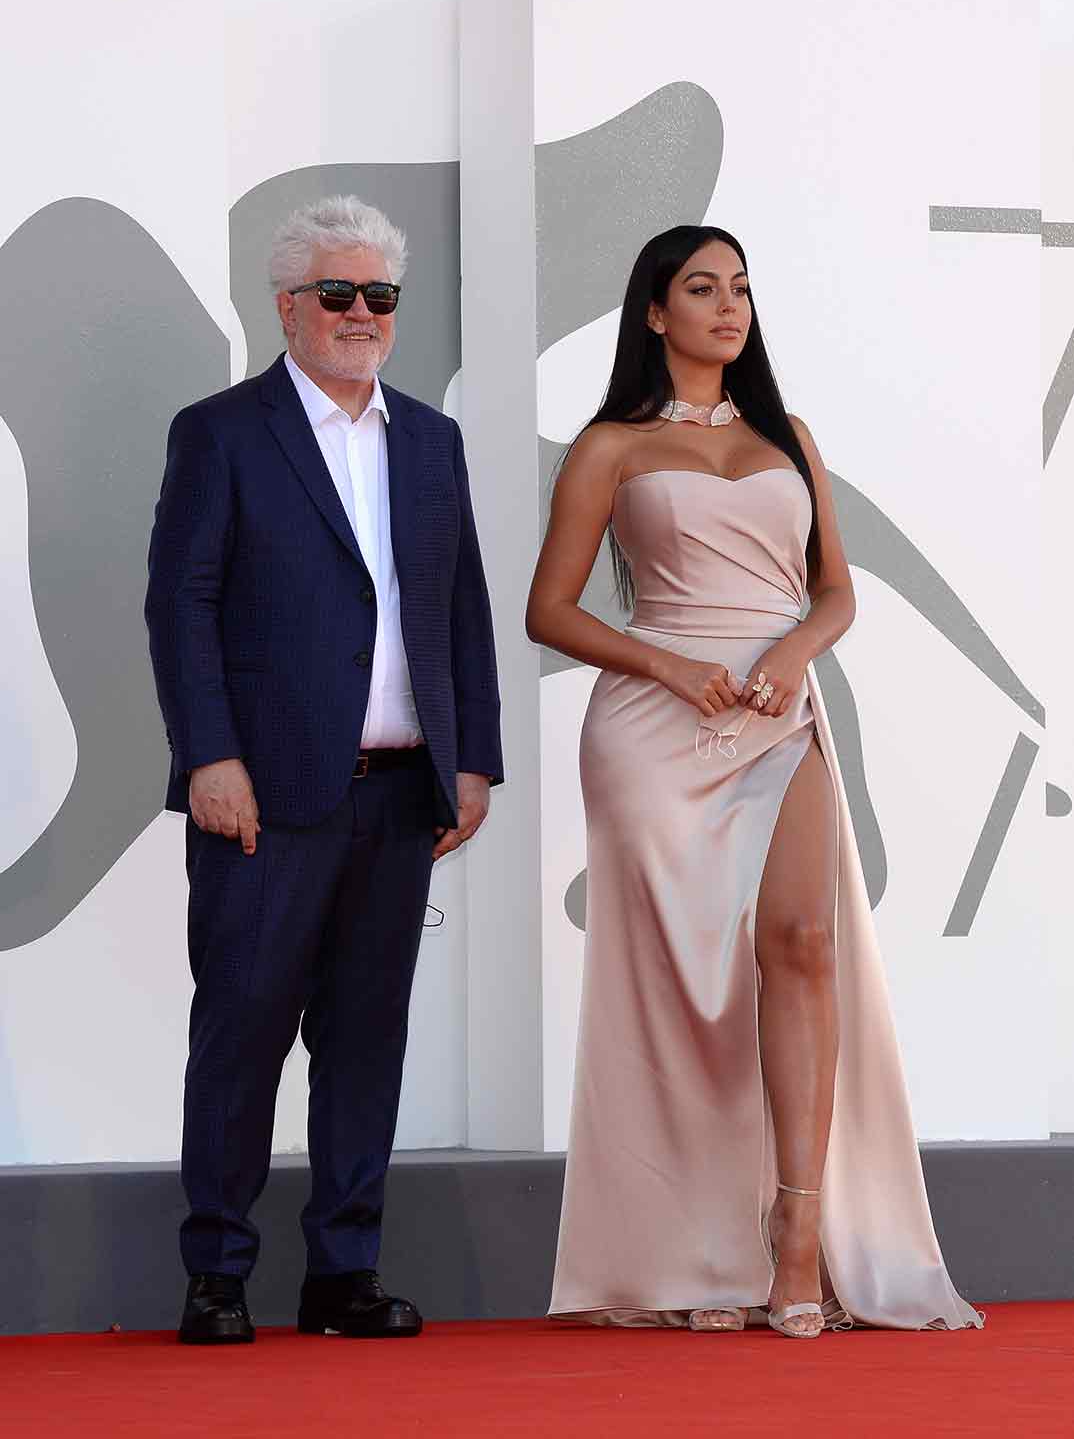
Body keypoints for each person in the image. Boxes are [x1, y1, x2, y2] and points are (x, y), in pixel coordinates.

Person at [527, 225, 981, 1337]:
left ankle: (796, 1227)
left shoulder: (790, 436)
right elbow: (552, 609)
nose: (729, 306)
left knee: (803, 944)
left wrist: (788, 655)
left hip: (781, 714)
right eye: (701, 287)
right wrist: (672, 663)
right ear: (654, 311)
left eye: (739, 288)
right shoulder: (609, 446)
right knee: (673, 981)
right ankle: (688, 1242)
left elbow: (834, 589)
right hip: (653, 725)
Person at [146, 195, 502, 1344]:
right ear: (288, 305)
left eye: (380, 296)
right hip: (263, 793)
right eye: (339, 294)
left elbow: (462, 609)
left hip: (401, 792)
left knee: (366, 1036)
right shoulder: (223, 431)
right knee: (241, 1029)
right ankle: (218, 1272)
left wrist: (474, 759)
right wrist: (209, 751)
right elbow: (181, 603)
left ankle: (344, 1269)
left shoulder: (432, 440)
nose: (363, 315)